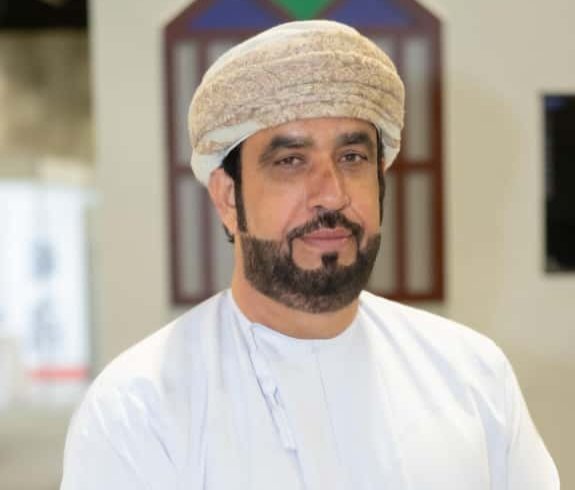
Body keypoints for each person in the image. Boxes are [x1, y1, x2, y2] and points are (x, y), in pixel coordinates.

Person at [60, 20, 559, 490]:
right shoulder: (139, 408)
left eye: (352, 157)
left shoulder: (470, 375)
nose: (332, 194)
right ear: (229, 198)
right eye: (291, 161)